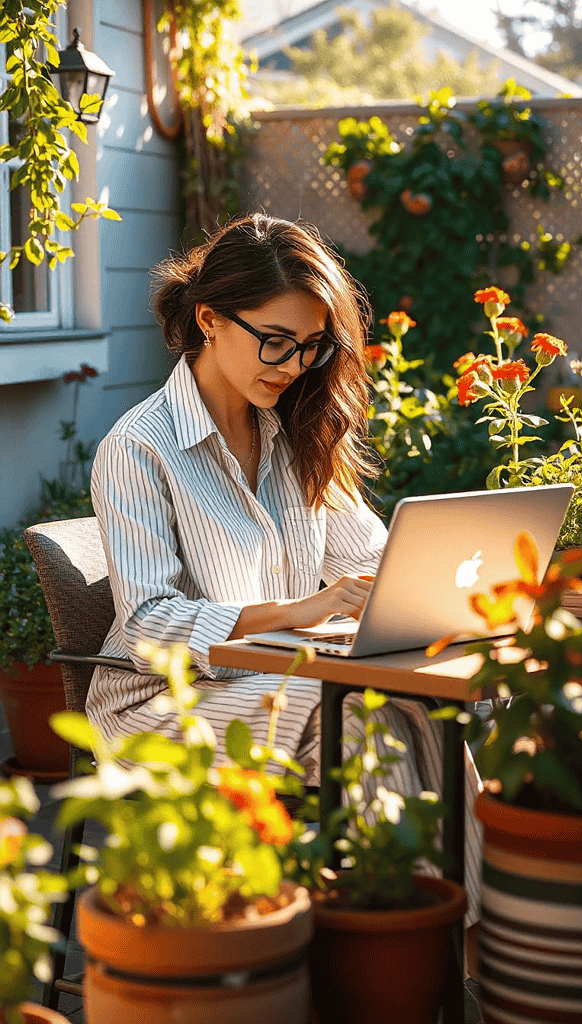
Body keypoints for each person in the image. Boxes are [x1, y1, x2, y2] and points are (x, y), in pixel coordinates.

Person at [88, 213, 482, 937]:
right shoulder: (138, 449)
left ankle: (449, 950)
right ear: (209, 318)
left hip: (279, 680)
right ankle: (420, 954)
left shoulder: (297, 433)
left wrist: (435, 590)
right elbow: (146, 626)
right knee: (364, 717)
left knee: (427, 708)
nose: (294, 364)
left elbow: (370, 562)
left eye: (309, 347)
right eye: (275, 341)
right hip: (160, 706)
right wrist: (297, 611)